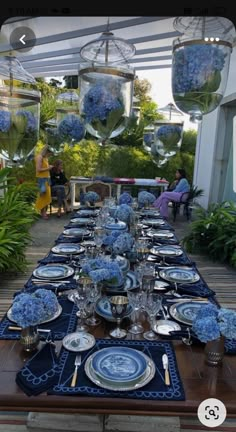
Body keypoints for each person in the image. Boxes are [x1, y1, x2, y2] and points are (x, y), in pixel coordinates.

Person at [35, 145, 54, 220]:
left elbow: (44, 167)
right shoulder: (39, 157)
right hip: (42, 179)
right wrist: (48, 168)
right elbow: (38, 169)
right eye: (49, 153)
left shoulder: (45, 158)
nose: (49, 155)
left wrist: (49, 166)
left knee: (47, 196)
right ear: (46, 151)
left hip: (47, 179)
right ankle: (42, 212)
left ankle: (43, 212)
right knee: (42, 196)